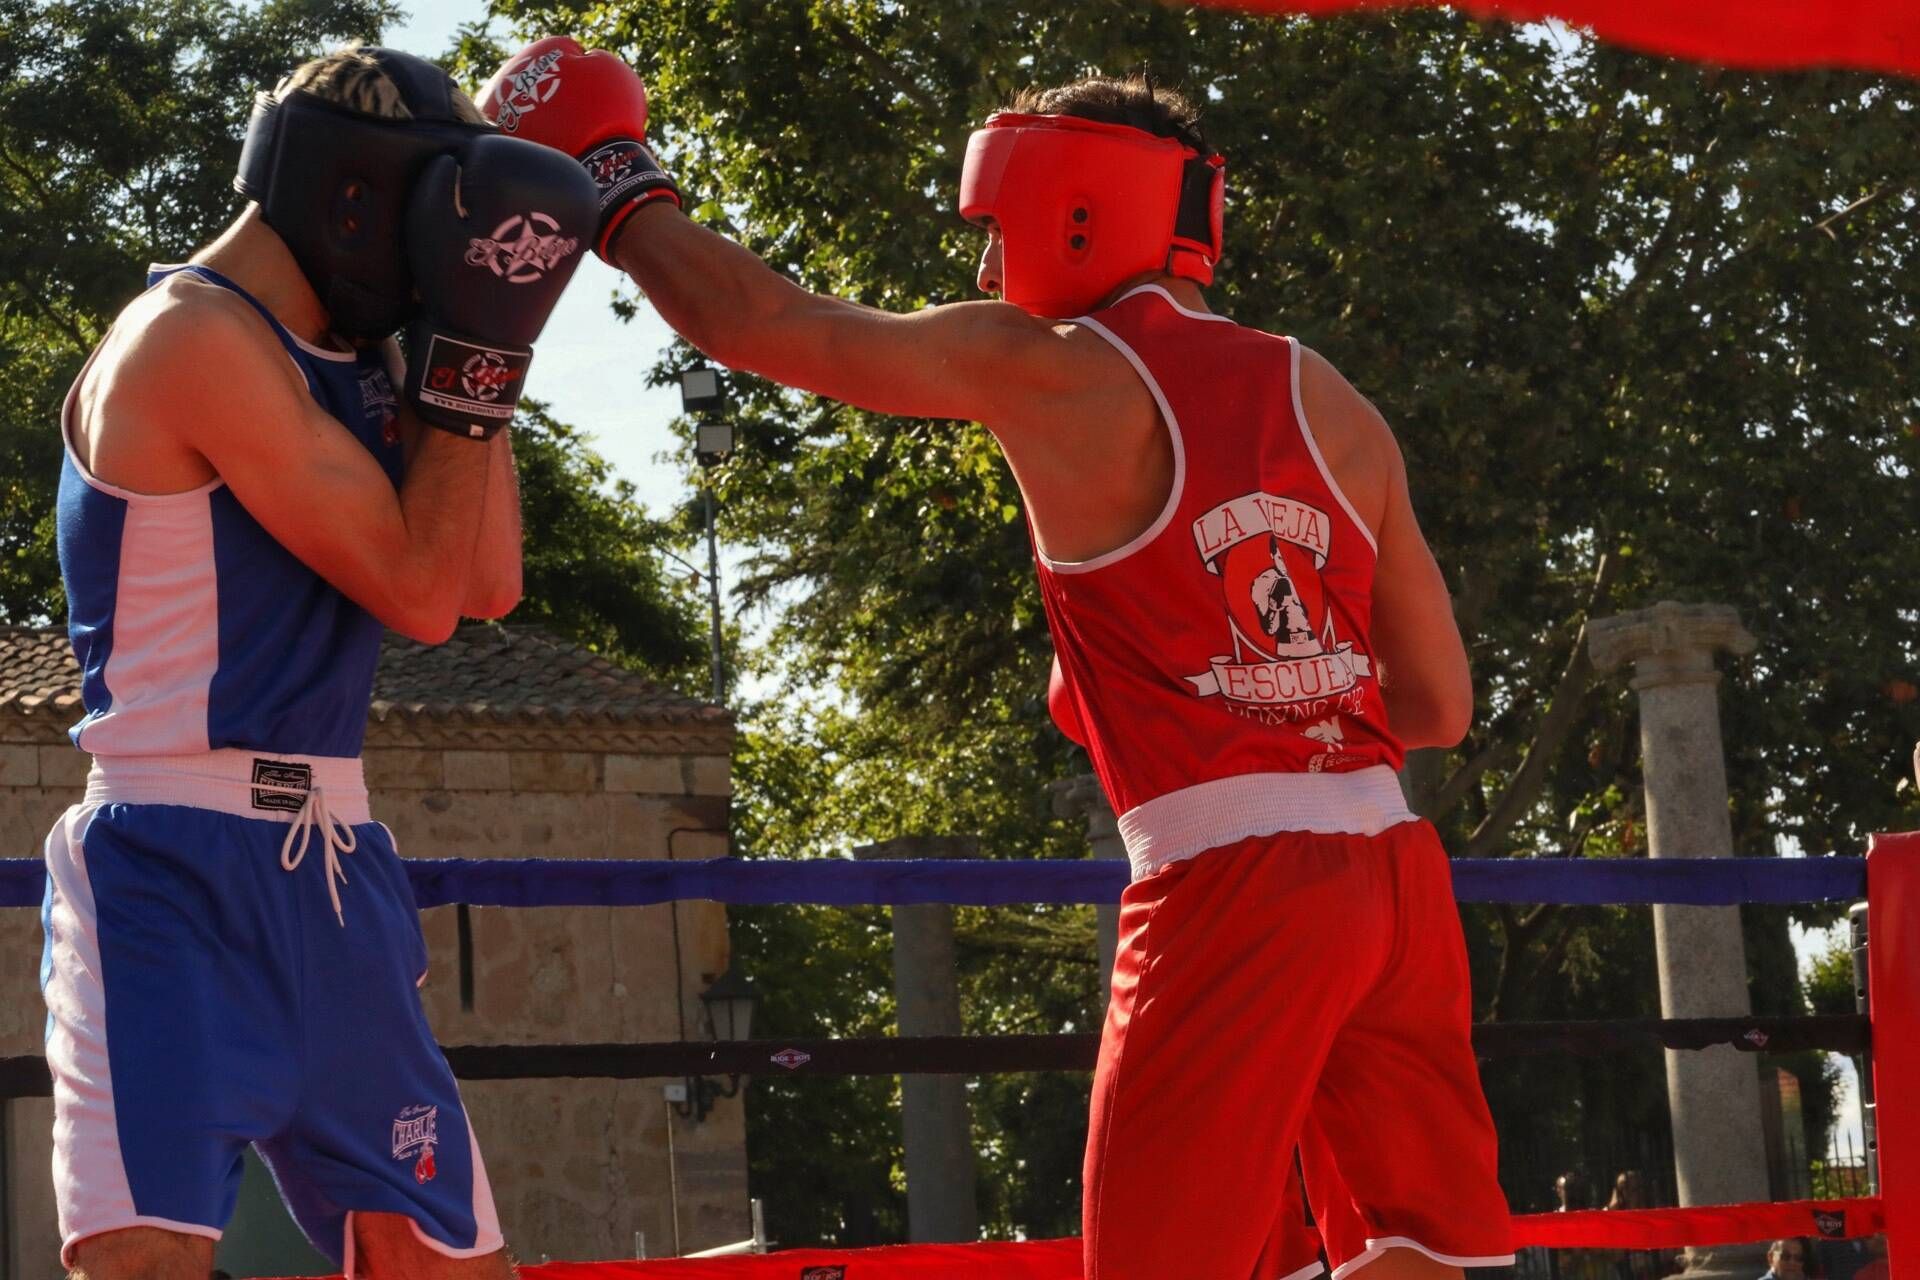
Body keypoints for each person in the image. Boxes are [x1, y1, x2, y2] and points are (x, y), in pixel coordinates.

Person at [483, 37, 1513, 1279]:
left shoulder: (1061, 372)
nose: (982, 263)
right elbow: (1440, 704)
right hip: (1393, 874)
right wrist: (1253, 685)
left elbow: (758, 321)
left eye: (992, 226)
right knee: (1407, 1254)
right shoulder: (1339, 403)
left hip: (1229, 879)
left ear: (1071, 209)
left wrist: (613, 177)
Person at [39, 44, 597, 1280]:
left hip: (338, 864)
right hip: (172, 867)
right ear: (358, 198)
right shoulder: (187, 338)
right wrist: (467, 355)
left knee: (444, 1257)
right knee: (147, 1261)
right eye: (431, 215)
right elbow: (414, 589)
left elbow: (483, 580)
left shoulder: (370, 359)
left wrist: (480, 342)